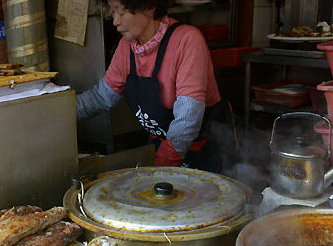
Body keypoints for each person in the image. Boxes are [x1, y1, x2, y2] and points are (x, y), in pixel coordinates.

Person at [76, 0, 234, 173]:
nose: (115, 21)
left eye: (120, 13)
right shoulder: (126, 47)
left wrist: (157, 170)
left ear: (149, 8)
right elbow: (101, 97)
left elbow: (188, 119)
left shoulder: (187, 40)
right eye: (113, 13)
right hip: (161, 145)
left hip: (206, 150)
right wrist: (60, 116)